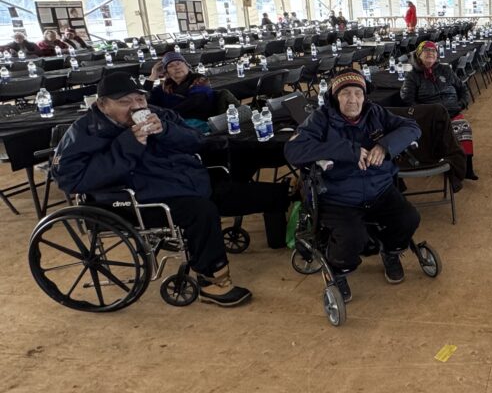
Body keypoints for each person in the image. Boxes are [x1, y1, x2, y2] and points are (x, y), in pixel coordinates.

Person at [52, 73, 252, 307]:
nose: (135, 107)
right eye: (125, 102)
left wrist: (165, 130)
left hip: (173, 182)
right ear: (102, 105)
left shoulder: (159, 114)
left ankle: (286, 203)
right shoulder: (83, 132)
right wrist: (129, 144)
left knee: (232, 187)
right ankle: (212, 283)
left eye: (140, 100)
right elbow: (70, 179)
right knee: (201, 211)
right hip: (128, 199)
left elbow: (197, 140)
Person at [284, 69, 422, 302]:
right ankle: (338, 271)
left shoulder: (375, 113)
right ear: (335, 97)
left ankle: (390, 252)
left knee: (409, 219)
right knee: (353, 238)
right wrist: (346, 151)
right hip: (338, 196)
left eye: (358, 93)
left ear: (365, 96)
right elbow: (293, 150)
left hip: (379, 189)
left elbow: (412, 127)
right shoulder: (321, 119)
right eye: (346, 93)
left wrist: (386, 146)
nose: (353, 100)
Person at [400, 41, 478, 179]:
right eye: (426, 50)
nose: (430, 53)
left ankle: (466, 167)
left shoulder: (446, 70)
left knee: (463, 127)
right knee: (454, 130)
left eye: (433, 51)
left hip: (453, 112)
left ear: (437, 55)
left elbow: (462, 88)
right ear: (419, 55)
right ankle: (455, 168)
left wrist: (461, 104)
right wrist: (424, 114)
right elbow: (408, 101)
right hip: (431, 117)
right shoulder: (412, 76)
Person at [146, 52, 217, 129]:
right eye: (171, 66)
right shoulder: (165, 87)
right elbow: (143, 99)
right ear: (167, 73)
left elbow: (193, 103)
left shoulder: (199, 81)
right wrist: (152, 77)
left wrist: (163, 116)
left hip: (196, 125)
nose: (177, 67)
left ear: (187, 66)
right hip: (170, 124)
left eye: (179, 63)